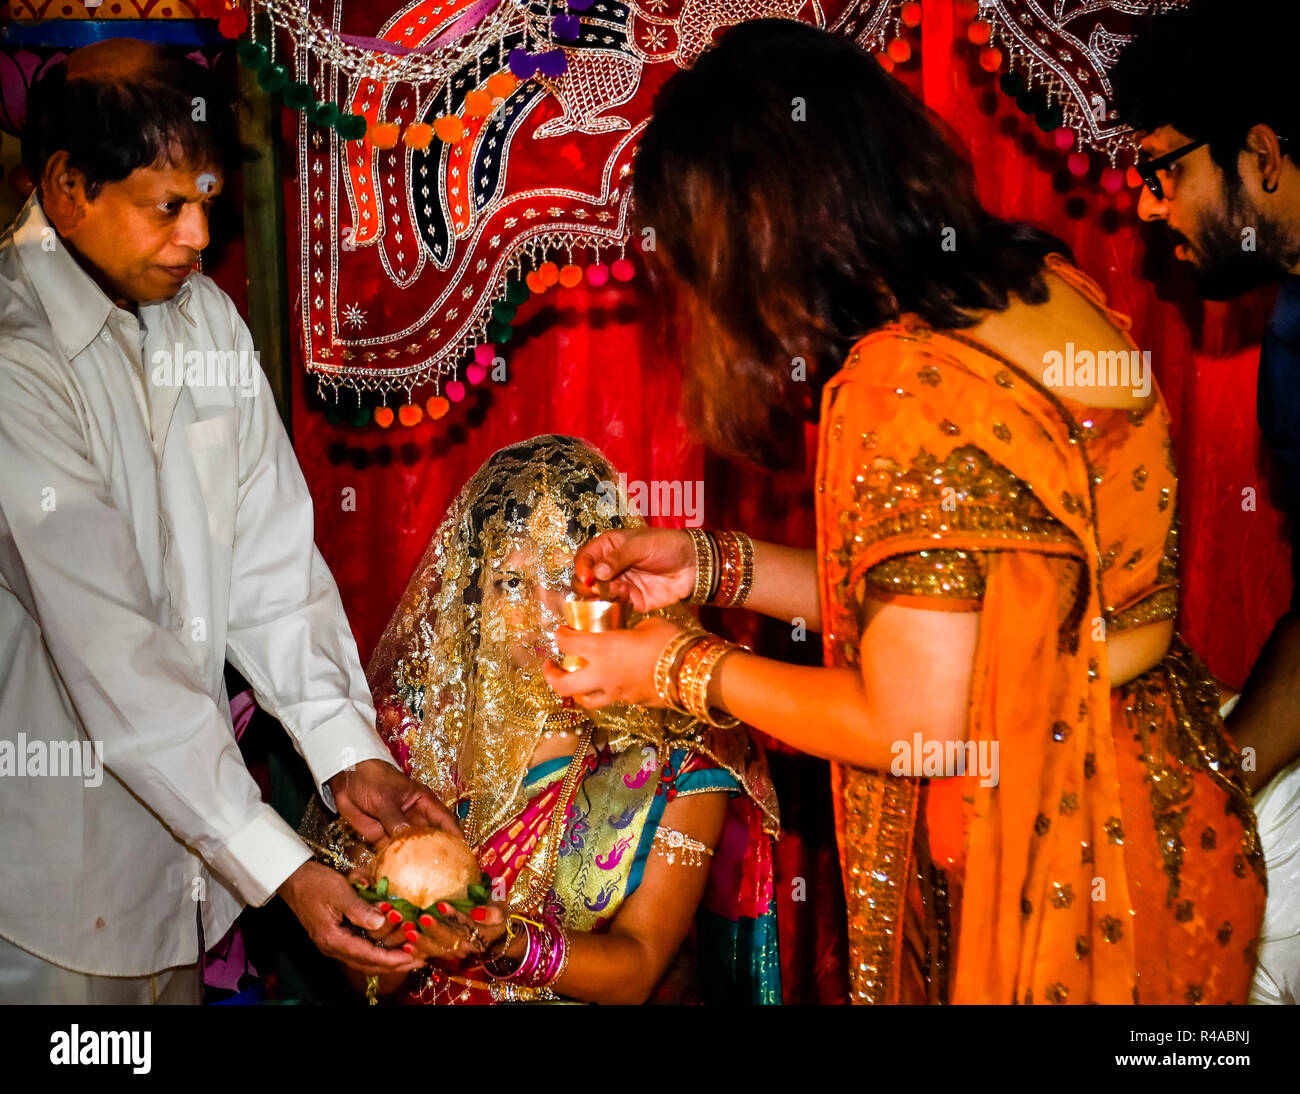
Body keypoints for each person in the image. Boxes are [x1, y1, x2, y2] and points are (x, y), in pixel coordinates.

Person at [544, 19, 1264, 1004]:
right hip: (1165, 817)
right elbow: (951, 616)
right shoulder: (1039, 286)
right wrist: (713, 567)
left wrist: (670, 667)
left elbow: (912, 710)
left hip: (1055, 877)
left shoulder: (903, 378)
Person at [0, 39, 463, 1004]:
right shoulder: (17, 362)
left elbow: (271, 569)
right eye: (168, 205)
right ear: (67, 186)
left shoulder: (204, 321)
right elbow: (115, 654)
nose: (200, 235)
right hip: (52, 887)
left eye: (208, 199)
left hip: (193, 881)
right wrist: (282, 865)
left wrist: (348, 757)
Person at [304, 435, 781, 1004]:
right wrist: (390, 936)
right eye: (510, 582)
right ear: (473, 592)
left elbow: (639, 966)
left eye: (561, 578)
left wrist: (505, 941)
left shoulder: (681, 757)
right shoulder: (411, 740)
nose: (540, 611)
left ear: (614, 584)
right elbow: (372, 981)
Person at [1112, 0, 1300, 1004]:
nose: (1148, 206)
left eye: (1164, 169)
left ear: (1261, 154)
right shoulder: (1288, 333)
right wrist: (1220, 773)